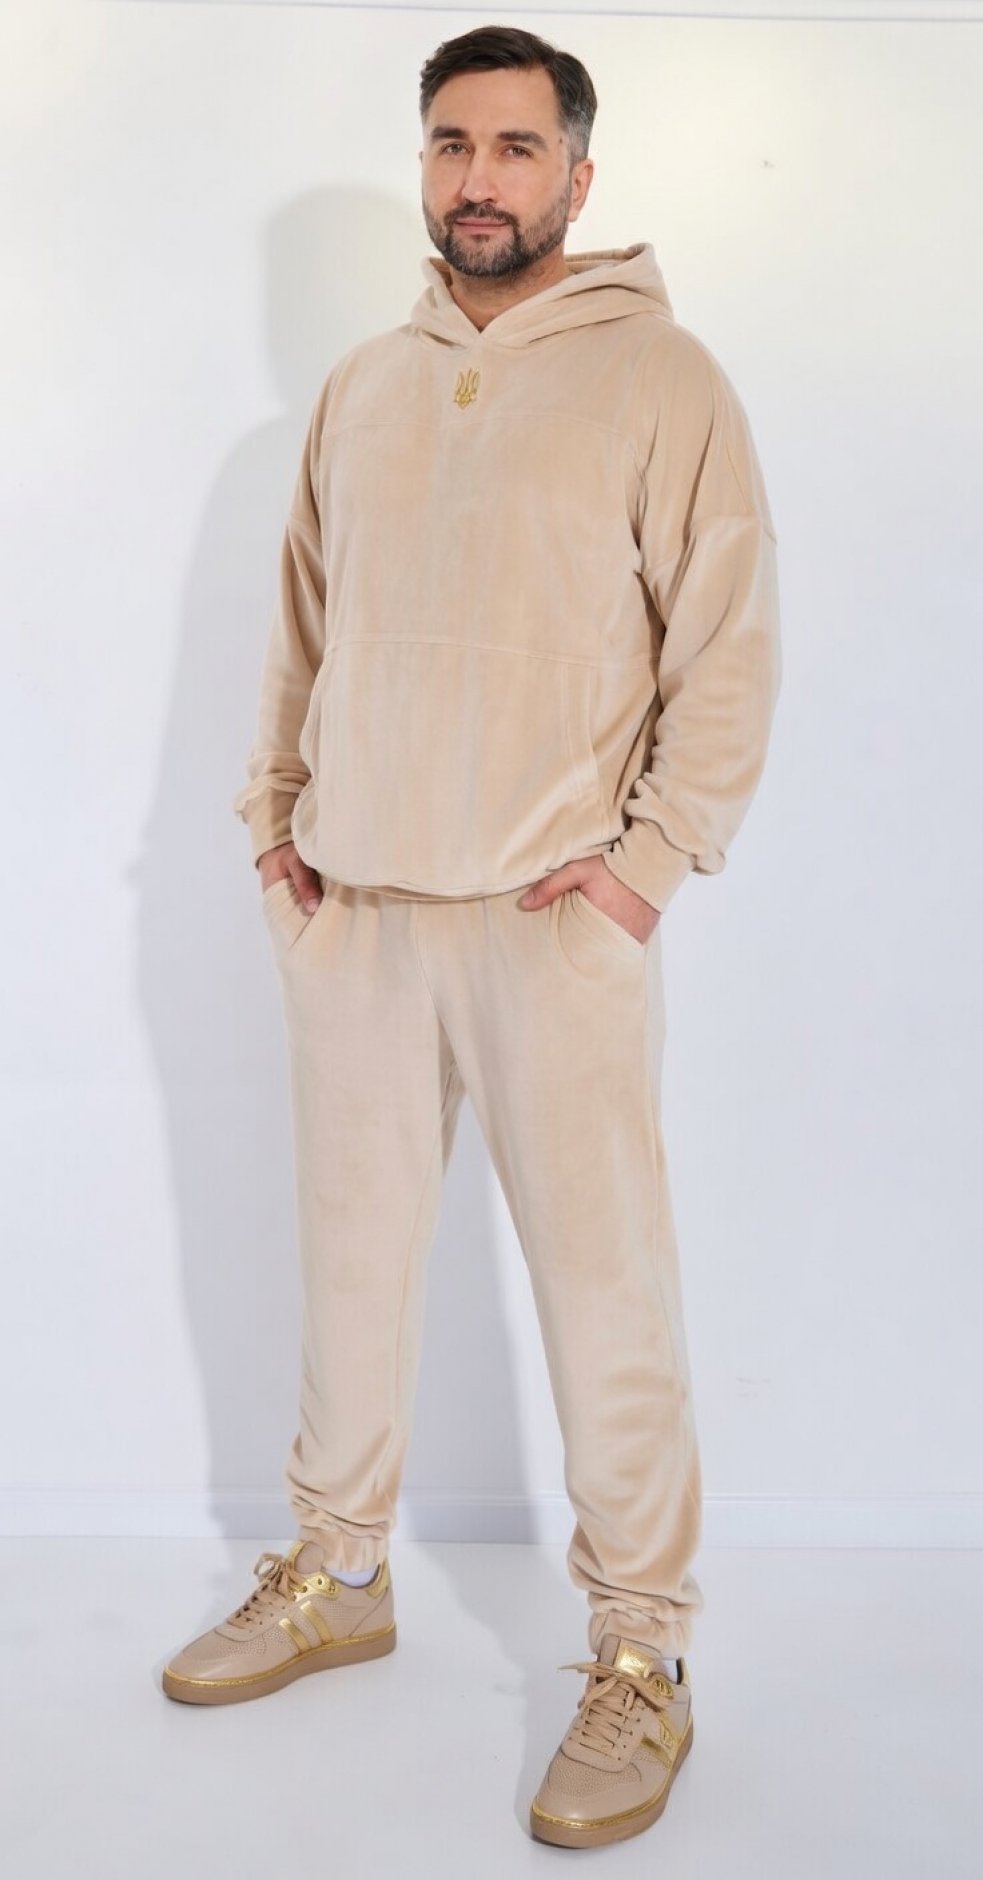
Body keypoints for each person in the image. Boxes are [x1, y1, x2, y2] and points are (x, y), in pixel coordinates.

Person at [161, 22, 782, 1850]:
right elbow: (301, 624)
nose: (480, 178)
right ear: (424, 167)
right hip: (357, 910)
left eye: (517, 147)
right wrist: (276, 827)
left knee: (608, 1299)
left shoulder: (664, 377)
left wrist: (647, 869)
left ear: (580, 174)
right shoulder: (363, 385)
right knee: (350, 1274)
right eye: (451, 144)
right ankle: (337, 1572)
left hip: (549, 920)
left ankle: (645, 1653)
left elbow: (729, 644)